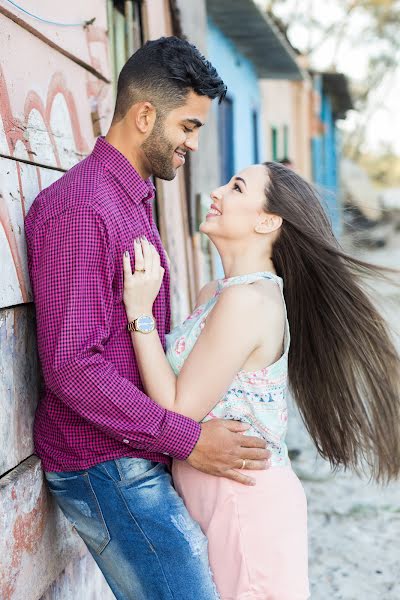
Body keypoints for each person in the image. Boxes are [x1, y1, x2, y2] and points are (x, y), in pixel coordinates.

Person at [25, 37, 271, 600]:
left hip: (133, 453)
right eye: (187, 127)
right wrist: (187, 440)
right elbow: (72, 368)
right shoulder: (81, 208)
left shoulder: (129, 200)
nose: (192, 144)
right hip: (104, 464)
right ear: (143, 116)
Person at [122, 162, 400, 600]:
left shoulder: (248, 301)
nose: (215, 190)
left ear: (267, 220)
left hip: (244, 507)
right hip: (215, 500)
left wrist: (139, 314)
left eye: (236, 187)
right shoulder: (214, 294)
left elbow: (177, 410)